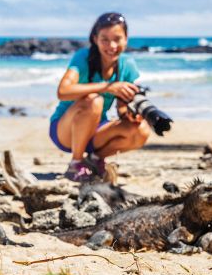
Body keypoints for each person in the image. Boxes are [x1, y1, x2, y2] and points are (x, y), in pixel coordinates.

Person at [49, 12, 151, 182]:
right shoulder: (84, 57)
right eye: (105, 39)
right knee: (95, 101)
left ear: (126, 39)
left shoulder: (127, 65)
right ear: (95, 39)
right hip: (65, 130)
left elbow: (121, 109)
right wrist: (108, 87)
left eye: (117, 39)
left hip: (97, 131)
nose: (111, 45)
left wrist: (131, 115)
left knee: (141, 130)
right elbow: (63, 91)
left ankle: (95, 160)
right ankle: (75, 163)